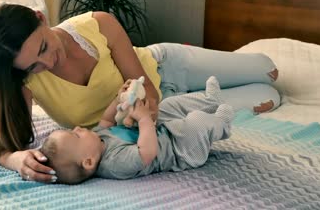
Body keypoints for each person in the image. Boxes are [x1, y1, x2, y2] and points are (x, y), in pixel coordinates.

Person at [0, 4, 280, 183]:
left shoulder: (97, 25)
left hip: (168, 69)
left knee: (267, 71)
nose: (48, 62)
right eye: (34, 64)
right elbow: (4, 143)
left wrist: (142, 110)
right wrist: (14, 160)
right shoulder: (26, 82)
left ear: (41, 18)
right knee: (268, 96)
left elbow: (147, 88)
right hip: (160, 118)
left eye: (43, 47)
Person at [40, 76, 234, 184]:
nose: (77, 128)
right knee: (196, 122)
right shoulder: (114, 163)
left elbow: (107, 119)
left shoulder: (98, 139)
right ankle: (222, 124)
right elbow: (147, 153)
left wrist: (119, 98)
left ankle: (210, 101)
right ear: (88, 162)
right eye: (75, 134)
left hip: (163, 130)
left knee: (169, 104)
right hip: (180, 150)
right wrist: (143, 119)